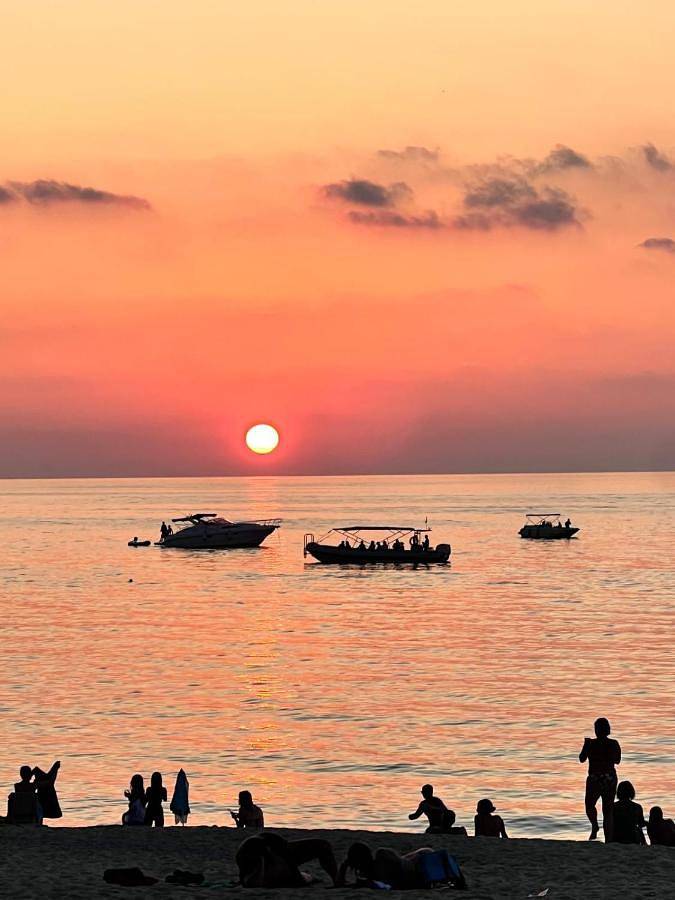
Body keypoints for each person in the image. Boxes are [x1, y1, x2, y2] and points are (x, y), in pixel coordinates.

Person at [236, 832, 338, 887]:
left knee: (323, 846)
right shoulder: (249, 859)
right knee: (323, 846)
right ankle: (335, 880)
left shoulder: (276, 852)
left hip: (276, 846)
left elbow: (290, 863)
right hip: (273, 848)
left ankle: (336, 879)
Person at [579, 717, 621, 841]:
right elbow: (617, 760)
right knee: (607, 810)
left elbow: (581, 759)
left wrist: (587, 746)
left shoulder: (592, 743)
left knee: (591, 806)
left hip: (596, 778)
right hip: (608, 778)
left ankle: (595, 826)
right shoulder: (612, 743)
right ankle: (607, 837)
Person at [336, 841, 436, 889]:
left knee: (408, 858)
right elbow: (340, 884)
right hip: (412, 861)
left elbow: (397, 883)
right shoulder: (367, 873)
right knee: (406, 858)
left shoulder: (382, 856)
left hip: (423, 857)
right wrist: (344, 865)